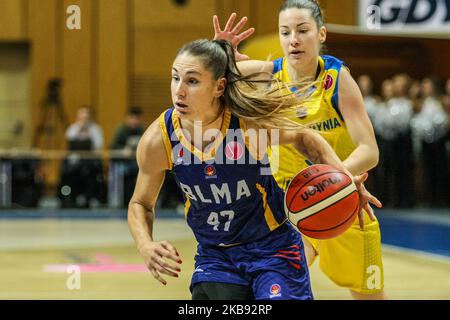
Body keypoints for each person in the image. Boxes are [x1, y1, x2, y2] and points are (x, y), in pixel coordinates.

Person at [127, 39, 381, 300]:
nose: (179, 91)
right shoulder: (159, 140)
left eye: (192, 81)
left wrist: (343, 178)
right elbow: (141, 203)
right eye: (175, 78)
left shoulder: (246, 124)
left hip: (273, 249)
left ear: (219, 87)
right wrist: (145, 244)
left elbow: (305, 138)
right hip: (217, 255)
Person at [213, 0, 384, 299]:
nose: (293, 39)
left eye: (303, 30)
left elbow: (369, 150)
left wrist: (334, 182)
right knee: (274, 290)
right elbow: (207, 77)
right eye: (285, 31)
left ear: (321, 34)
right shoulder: (267, 74)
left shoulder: (337, 80)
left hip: (342, 202)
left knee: (368, 296)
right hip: (287, 206)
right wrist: (218, 52)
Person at [58, 106, 106, 208]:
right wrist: (80, 129)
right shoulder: (72, 128)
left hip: (90, 160)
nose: (84, 118)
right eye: (82, 116)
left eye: (86, 116)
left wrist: (88, 133)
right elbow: (69, 142)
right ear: (78, 116)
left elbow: (98, 145)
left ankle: (90, 197)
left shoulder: (96, 129)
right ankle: (69, 197)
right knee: (69, 171)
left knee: (90, 172)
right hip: (75, 160)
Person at [110, 106, 145, 207]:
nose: (134, 121)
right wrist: (122, 151)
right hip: (123, 163)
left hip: (138, 163)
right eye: (132, 118)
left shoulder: (142, 130)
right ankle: (124, 201)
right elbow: (113, 146)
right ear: (127, 118)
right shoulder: (121, 130)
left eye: (136, 119)